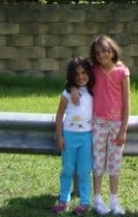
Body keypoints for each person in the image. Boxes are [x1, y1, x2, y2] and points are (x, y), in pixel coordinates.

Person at [73, 35, 131, 215]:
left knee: (114, 163)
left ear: (112, 50)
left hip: (116, 124)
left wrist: (123, 130)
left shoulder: (123, 72)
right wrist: (73, 88)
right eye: (97, 53)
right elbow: (76, 77)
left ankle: (114, 201)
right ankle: (97, 200)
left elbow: (127, 103)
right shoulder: (93, 71)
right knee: (98, 162)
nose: (102, 55)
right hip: (98, 123)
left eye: (105, 51)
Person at [52, 56, 95, 215]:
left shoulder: (93, 91)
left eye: (84, 72)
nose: (81, 77)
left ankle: (84, 202)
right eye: (76, 75)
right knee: (67, 170)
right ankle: (63, 199)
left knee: (84, 171)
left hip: (86, 137)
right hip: (69, 136)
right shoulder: (67, 93)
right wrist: (59, 136)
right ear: (71, 77)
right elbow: (59, 115)